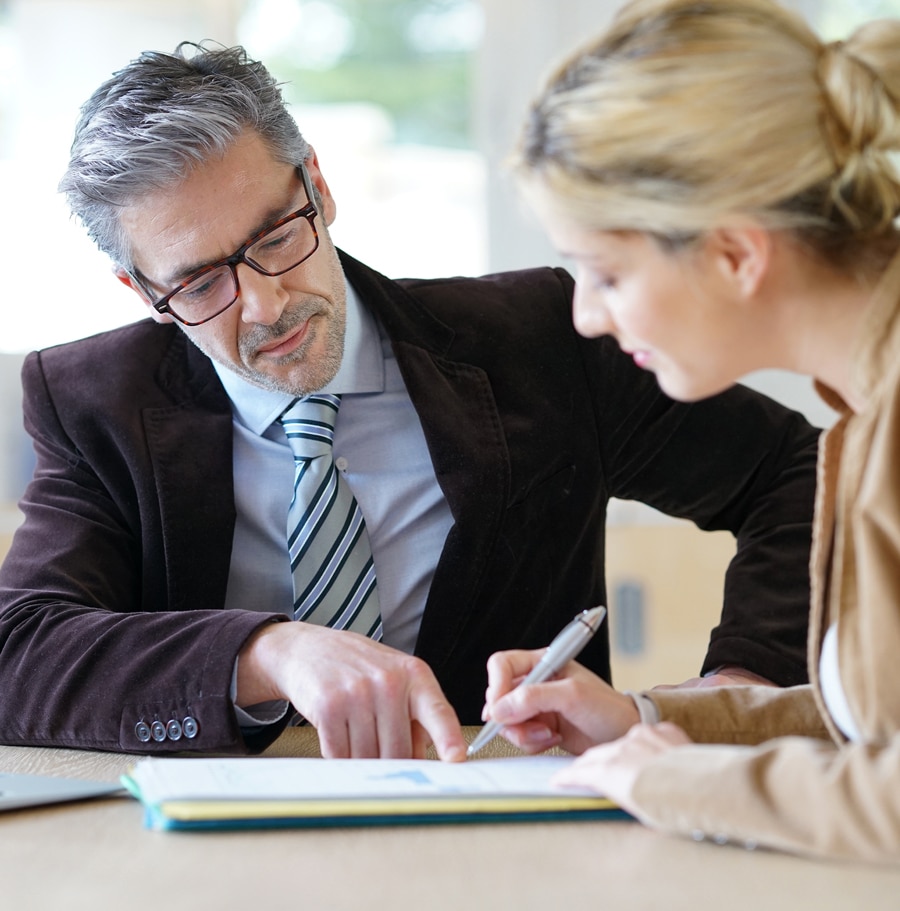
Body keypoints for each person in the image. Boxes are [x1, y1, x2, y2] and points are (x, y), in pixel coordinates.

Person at [0, 41, 818, 762]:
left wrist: (738, 690)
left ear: (316, 185)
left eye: (277, 237)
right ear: (140, 290)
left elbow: (798, 470)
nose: (264, 304)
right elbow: (17, 652)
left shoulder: (543, 340)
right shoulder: (92, 400)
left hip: (506, 809)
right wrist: (264, 652)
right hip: (216, 843)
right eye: (202, 282)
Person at [480, 0, 900, 865]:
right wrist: (645, 723)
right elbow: (876, 721)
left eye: (605, 273)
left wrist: (677, 782)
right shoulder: (866, 413)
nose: (587, 318)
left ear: (736, 255)